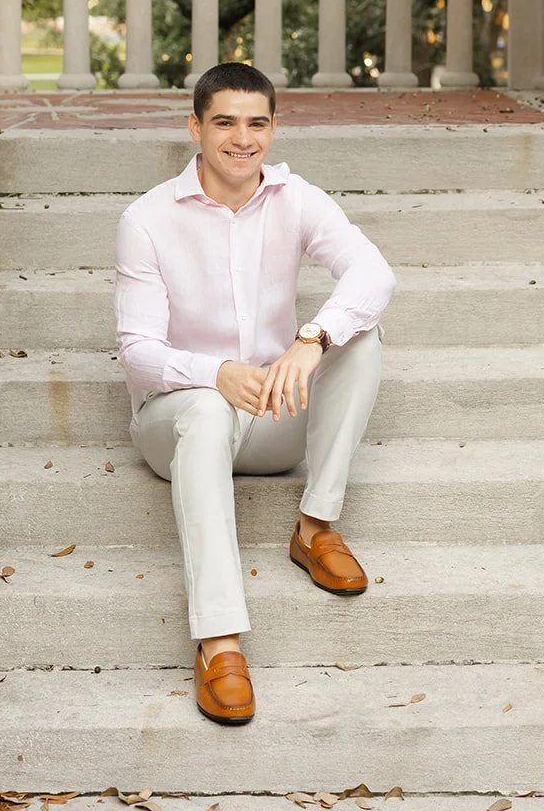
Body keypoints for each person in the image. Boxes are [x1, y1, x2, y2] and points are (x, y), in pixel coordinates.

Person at [114, 61, 396, 725]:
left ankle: (314, 527)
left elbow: (371, 272)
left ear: (273, 128)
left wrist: (312, 338)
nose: (241, 139)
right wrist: (213, 373)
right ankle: (218, 643)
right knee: (209, 408)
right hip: (177, 420)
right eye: (224, 123)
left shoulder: (296, 198)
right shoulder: (148, 218)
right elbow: (137, 353)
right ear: (195, 128)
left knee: (359, 335)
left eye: (256, 123)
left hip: (271, 414)